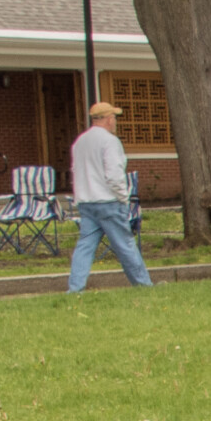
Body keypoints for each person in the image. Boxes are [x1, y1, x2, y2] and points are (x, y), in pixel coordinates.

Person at [67, 102, 153, 293]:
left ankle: (75, 288)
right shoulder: (110, 141)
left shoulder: (80, 141)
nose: (115, 121)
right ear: (108, 119)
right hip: (108, 201)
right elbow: (114, 174)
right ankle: (143, 284)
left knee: (85, 246)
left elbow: (75, 170)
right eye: (114, 117)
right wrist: (123, 197)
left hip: (86, 201)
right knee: (125, 245)